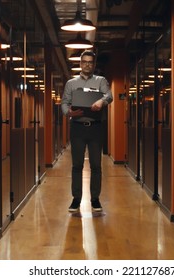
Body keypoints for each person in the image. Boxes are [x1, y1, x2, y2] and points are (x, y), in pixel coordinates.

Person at [61, 50, 113, 212]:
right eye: (84, 62)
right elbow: (64, 103)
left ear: (94, 64)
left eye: (90, 62)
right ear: (80, 63)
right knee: (77, 165)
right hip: (77, 128)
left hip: (96, 128)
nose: (87, 64)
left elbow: (109, 96)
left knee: (96, 165)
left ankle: (95, 199)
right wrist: (69, 113)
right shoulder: (71, 83)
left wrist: (101, 102)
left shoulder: (101, 81)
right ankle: (76, 199)